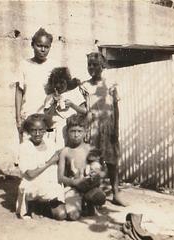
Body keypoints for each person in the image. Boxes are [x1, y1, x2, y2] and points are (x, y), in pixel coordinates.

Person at [81, 52, 127, 206]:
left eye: (96, 64)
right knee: (94, 162)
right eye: (89, 65)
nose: (92, 67)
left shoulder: (110, 85)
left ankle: (115, 193)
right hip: (92, 129)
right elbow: (82, 108)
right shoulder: (85, 86)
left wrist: (116, 129)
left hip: (108, 129)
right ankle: (96, 195)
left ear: (103, 66)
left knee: (112, 162)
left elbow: (115, 107)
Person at [16, 114, 66, 221]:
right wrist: (49, 162)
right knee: (34, 189)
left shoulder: (50, 143)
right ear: (29, 131)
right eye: (34, 130)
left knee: (61, 215)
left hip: (50, 182)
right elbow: (30, 174)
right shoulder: (25, 147)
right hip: (33, 183)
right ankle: (33, 205)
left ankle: (44, 205)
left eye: (41, 130)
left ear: (45, 130)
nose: (37, 134)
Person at [58, 114, 106, 220]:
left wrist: (95, 176)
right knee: (73, 216)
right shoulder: (65, 152)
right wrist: (75, 182)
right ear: (67, 132)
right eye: (73, 131)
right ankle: (79, 204)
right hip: (73, 188)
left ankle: (90, 204)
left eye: (79, 131)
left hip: (89, 186)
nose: (76, 135)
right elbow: (60, 177)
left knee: (100, 197)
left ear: (85, 132)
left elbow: (101, 171)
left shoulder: (90, 149)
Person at [15, 28, 59, 142]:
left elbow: (59, 91)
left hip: (48, 118)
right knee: (27, 150)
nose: (43, 49)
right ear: (32, 45)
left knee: (47, 150)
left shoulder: (54, 66)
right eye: (39, 45)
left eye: (46, 47)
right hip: (28, 116)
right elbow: (19, 92)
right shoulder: (24, 65)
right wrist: (18, 119)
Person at [44, 67, 87, 148]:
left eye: (61, 82)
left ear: (67, 82)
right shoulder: (49, 97)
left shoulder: (75, 93)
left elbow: (84, 111)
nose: (58, 85)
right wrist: (54, 103)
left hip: (70, 131)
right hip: (53, 131)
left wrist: (72, 105)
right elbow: (47, 118)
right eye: (55, 82)